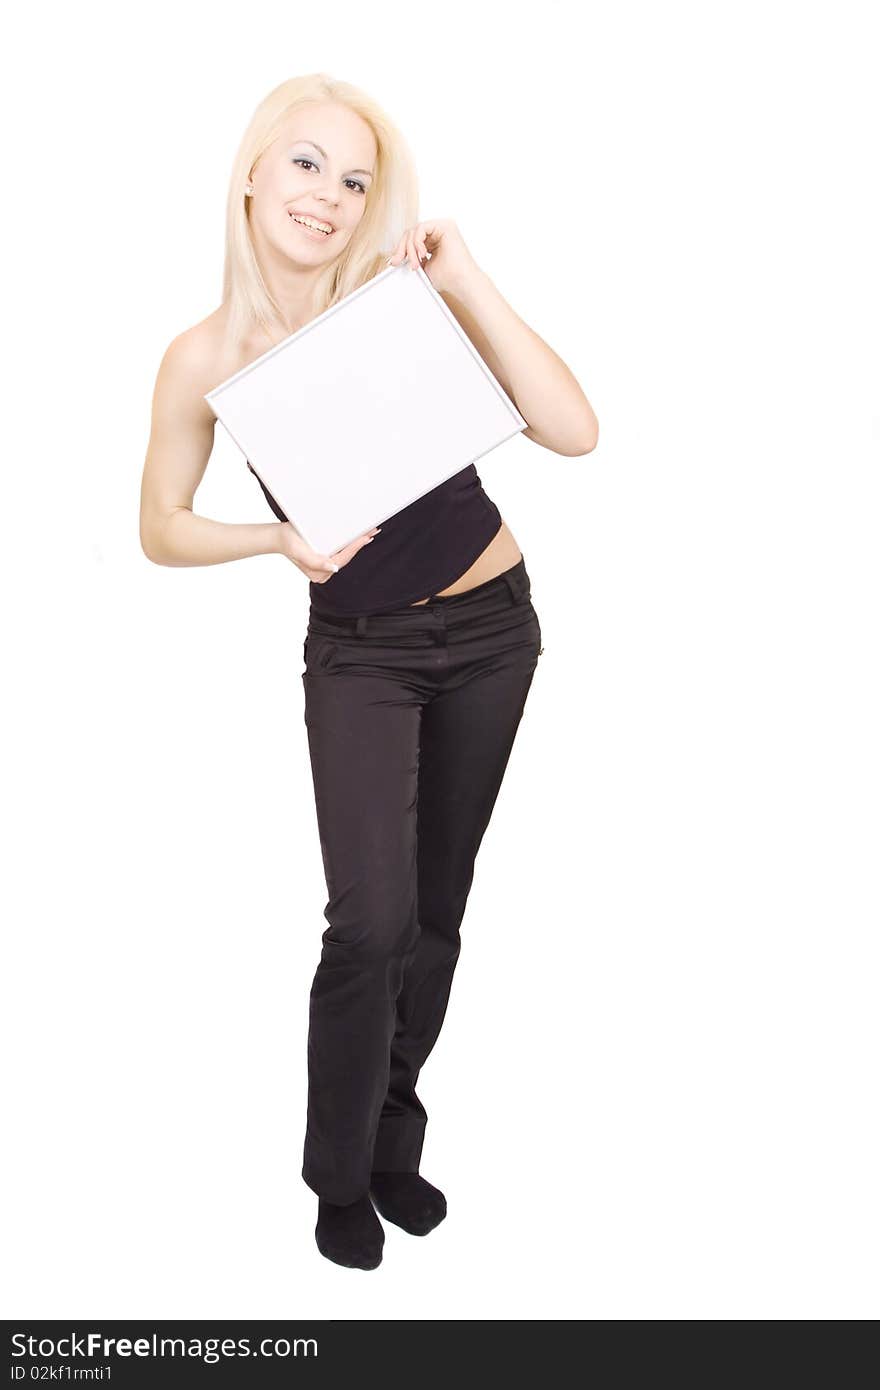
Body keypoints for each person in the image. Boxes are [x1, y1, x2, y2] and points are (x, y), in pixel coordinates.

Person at [139, 73, 598, 1271]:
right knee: (371, 922)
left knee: (435, 914)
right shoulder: (203, 356)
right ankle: (337, 1171)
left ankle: (395, 1140)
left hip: (495, 628)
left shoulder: (393, 302)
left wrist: (464, 278)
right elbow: (161, 525)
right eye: (305, 165)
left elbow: (573, 428)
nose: (329, 197)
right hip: (361, 652)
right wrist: (273, 541)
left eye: (353, 180)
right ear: (250, 171)